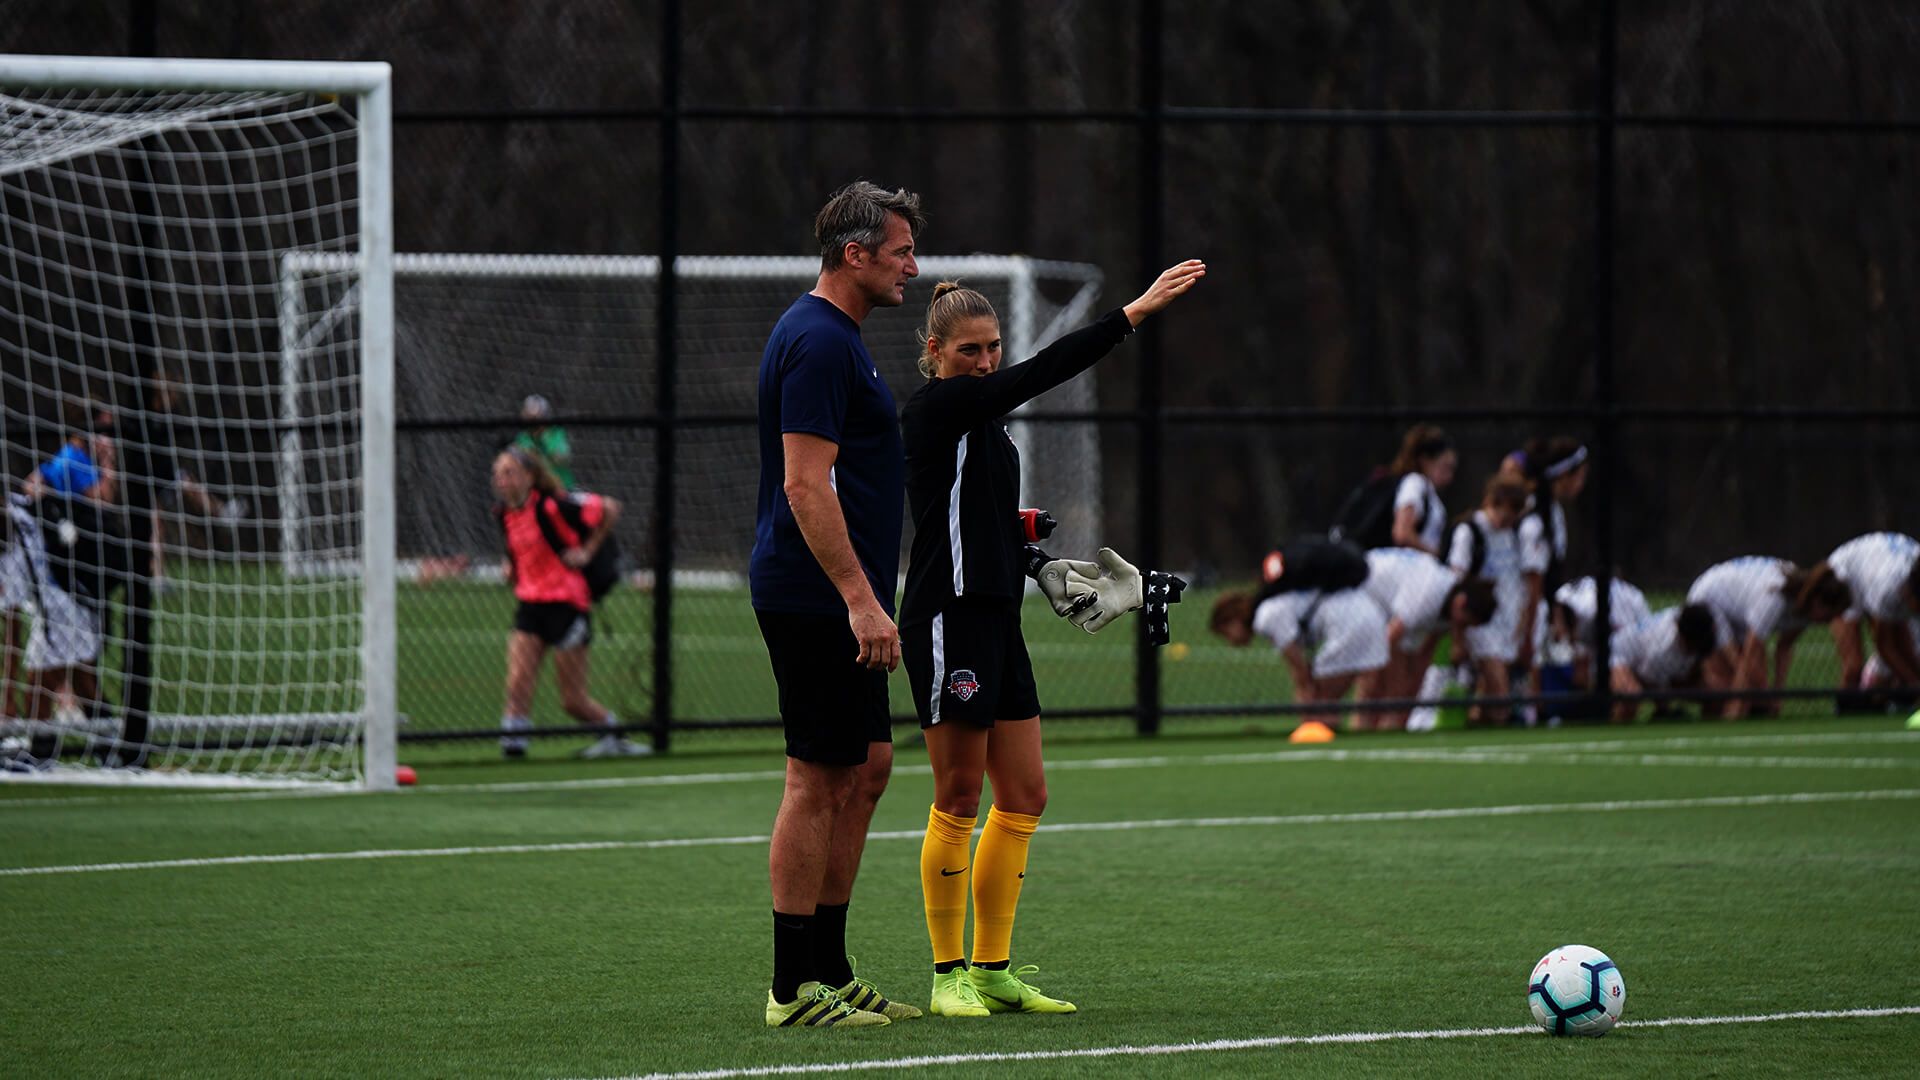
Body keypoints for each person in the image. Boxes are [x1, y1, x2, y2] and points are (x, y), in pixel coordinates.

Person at [900, 258, 1205, 1017]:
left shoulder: (988, 428)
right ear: (935, 353)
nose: (985, 361)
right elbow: (1040, 373)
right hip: (948, 615)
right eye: (969, 350)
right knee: (959, 795)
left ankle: (992, 969)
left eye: (993, 347)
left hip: (997, 616)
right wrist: (1130, 315)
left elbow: (985, 519)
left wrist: (1039, 562)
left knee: (1026, 795)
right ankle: (946, 976)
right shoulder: (939, 407)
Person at [749, 180, 925, 1029]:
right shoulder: (819, 340)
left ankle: (832, 966)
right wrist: (860, 599)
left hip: (844, 596)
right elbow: (803, 484)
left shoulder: (840, 337)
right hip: (816, 595)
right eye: (900, 252)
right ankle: (792, 989)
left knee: (870, 765)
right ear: (855, 254)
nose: (912, 268)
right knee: (816, 778)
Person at [490, 447, 644, 760]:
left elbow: (609, 508)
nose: (502, 480)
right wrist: (511, 568)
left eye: (509, 473)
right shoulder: (504, 513)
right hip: (530, 604)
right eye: (498, 474)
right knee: (518, 681)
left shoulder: (553, 505)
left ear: (530, 476)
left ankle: (614, 735)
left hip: (567, 604)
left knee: (572, 700)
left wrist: (586, 552)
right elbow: (520, 552)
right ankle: (513, 747)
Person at [1209, 581, 1389, 732]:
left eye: (1226, 633)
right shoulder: (1272, 607)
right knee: (1361, 697)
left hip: (1349, 626)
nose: (1231, 641)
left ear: (1234, 619)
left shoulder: (1266, 617)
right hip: (1369, 614)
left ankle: (1323, 739)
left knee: (1322, 702)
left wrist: (1305, 708)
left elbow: (1299, 669)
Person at [1686, 557, 1853, 718]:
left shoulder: (1805, 607)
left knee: (1759, 691)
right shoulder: (1773, 598)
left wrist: (1777, 697)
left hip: (1738, 615)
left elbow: (1784, 647)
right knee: (1727, 685)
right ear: (1818, 601)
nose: (1829, 622)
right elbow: (1748, 658)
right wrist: (1736, 707)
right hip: (1709, 601)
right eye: (1829, 616)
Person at [1355, 546, 1497, 730]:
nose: (1462, 629)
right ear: (1460, 602)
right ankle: (1362, 722)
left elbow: (1423, 655)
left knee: (1400, 677)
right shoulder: (1427, 596)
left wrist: (1409, 695)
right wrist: (1375, 683)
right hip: (1362, 587)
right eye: (1465, 622)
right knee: (1377, 678)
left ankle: (1391, 723)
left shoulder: (1448, 610)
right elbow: (1388, 639)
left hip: (1390, 608)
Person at [1443, 477, 1530, 725]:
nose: (1507, 523)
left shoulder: (1512, 534)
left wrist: (1522, 621)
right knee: (1498, 685)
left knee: (1490, 687)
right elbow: (1456, 586)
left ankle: (1479, 723)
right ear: (1491, 503)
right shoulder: (1470, 532)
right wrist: (1458, 638)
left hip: (1507, 619)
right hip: (1480, 619)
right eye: (1504, 516)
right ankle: (1499, 726)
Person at [1825, 532, 1920, 708]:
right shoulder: (1887, 590)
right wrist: (1915, 684)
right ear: (1909, 593)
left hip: (1876, 569)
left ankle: (1882, 702)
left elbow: (1906, 648)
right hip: (1846, 576)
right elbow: (1885, 647)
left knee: (1907, 651)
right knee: (1853, 666)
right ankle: (1843, 711)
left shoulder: (1906, 584)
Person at [1608, 604, 1722, 723]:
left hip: (1656, 668)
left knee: (1716, 694)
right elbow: (1647, 679)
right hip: (1619, 656)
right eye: (1691, 648)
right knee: (1631, 695)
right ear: (1683, 638)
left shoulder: (1695, 621)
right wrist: (1665, 709)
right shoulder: (1661, 648)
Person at [1387, 424, 1456, 555]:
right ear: (1425, 461)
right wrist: (1434, 554)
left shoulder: (1427, 490)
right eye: (1445, 467)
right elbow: (1402, 533)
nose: (1449, 477)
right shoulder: (1415, 483)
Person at [513, 393, 576, 491]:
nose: (532, 423)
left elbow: (561, 458)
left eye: (535, 418)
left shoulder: (556, 434)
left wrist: (543, 440)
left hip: (561, 487)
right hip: (534, 489)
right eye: (529, 418)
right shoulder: (523, 437)